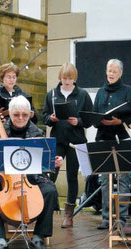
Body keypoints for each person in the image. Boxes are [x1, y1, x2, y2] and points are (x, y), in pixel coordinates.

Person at [0, 95, 62, 249]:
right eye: (16, 114)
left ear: (30, 114)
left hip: (31, 178)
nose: (20, 118)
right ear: (9, 114)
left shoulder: (37, 133)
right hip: (4, 179)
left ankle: (39, 236)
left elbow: (43, 163)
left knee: (50, 191)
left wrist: (52, 162)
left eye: (24, 115)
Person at [42, 62, 93, 228]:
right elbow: (44, 117)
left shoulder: (83, 95)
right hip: (57, 140)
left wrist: (78, 121)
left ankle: (68, 215)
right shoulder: (52, 94)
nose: (67, 81)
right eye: (64, 78)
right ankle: (45, 208)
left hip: (76, 140)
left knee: (72, 176)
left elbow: (90, 119)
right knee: (51, 174)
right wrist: (51, 118)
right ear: (60, 78)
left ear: (75, 79)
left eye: (70, 78)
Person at [93, 59, 131, 230]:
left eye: (114, 71)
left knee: (123, 179)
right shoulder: (100, 92)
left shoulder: (128, 92)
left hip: (122, 139)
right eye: (109, 71)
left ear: (120, 73)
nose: (110, 74)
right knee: (105, 180)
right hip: (104, 138)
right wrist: (99, 120)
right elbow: (95, 114)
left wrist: (120, 121)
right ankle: (106, 218)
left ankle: (122, 218)